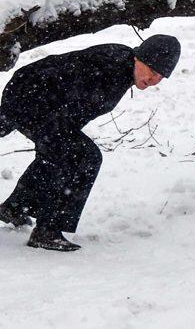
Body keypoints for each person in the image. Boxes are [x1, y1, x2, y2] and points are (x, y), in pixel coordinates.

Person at [0, 34, 181, 252]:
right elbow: (62, 94)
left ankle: (16, 207)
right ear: (140, 58)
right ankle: (47, 230)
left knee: (67, 152)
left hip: (37, 98)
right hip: (32, 96)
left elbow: (76, 111)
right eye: (153, 71)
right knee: (79, 156)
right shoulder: (109, 69)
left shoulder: (123, 67)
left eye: (160, 77)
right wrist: (12, 119)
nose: (154, 81)